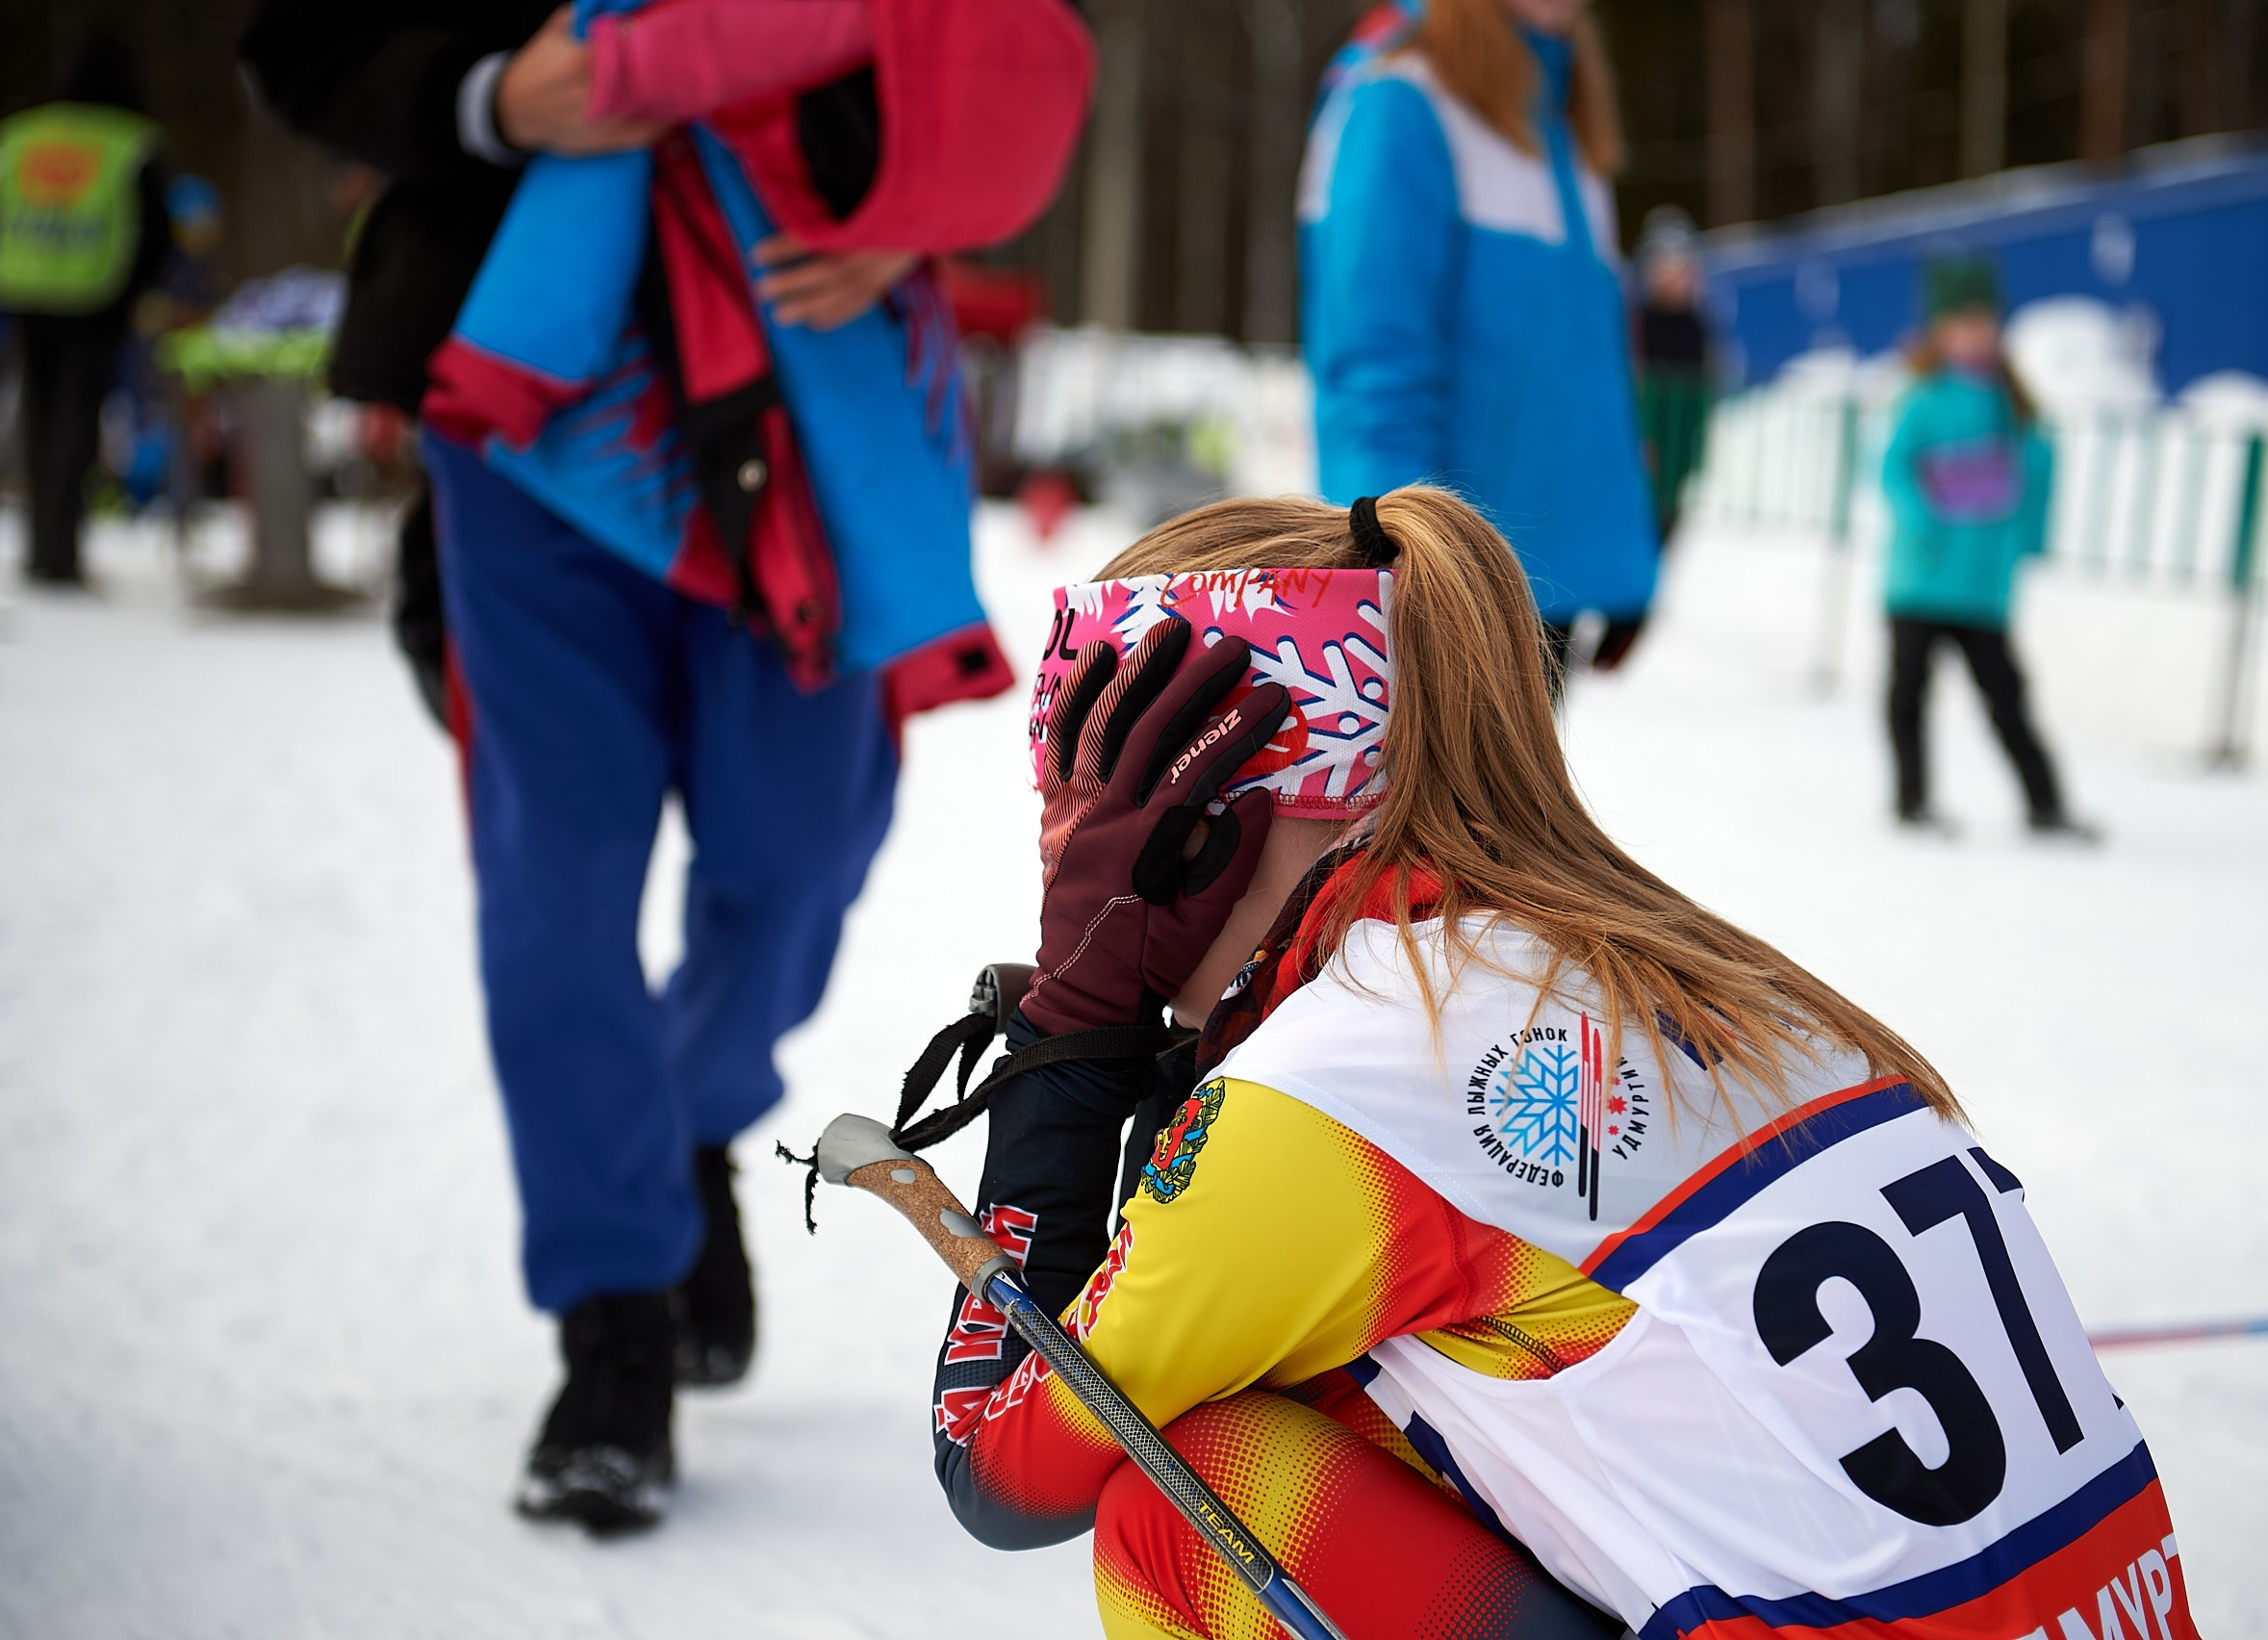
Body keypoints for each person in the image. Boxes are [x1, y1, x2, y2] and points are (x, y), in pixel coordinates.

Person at [906, 487, 2202, 1638]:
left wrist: (1073, 1033)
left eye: (1081, 794)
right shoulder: (1680, 965)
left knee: (1188, 1505)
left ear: (1208, 813)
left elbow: (1000, 1461)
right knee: (1328, 1385)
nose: (1060, 849)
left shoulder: (1336, 1081)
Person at [241, 0, 1089, 1532]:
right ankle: (611, 1321)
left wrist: (923, 206)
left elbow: (1021, 39)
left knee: (796, 863)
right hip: (529, 435)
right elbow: (305, 40)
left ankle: (688, 1120)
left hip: (813, 397)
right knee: (551, 890)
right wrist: (496, 91)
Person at [1299, 0, 1659, 692]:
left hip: (1546, 580)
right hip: (1449, 584)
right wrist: (1390, 553)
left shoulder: (1566, 120)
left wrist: (1617, 549)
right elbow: (1373, 359)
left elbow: (1588, 370)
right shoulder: (1402, 97)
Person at [1881, 256, 2094, 841]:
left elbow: (2036, 485)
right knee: (1909, 694)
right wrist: (1925, 520)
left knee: (2007, 696)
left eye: (1983, 320)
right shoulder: (1924, 399)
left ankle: (2045, 804)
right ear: (1939, 330)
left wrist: (2027, 541)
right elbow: (1894, 470)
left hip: (1982, 585)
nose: (1974, 333)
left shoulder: (2015, 406)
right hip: (1920, 577)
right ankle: (1912, 799)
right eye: (1961, 322)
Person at [0, 37, 171, 586]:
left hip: (24, 291)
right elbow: (157, 231)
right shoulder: (130, 141)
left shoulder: (20, 133)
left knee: (39, 415)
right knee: (77, 419)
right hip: (96, 298)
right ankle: (60, 549)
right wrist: (136, 288)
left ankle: (41, 542)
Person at [1629, 203, 1714, 551]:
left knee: (1666, 530)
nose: (1676, 276)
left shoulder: (1696, 326)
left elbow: (1702, 390)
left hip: (1677, 448)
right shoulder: (1638, 323)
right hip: (1643, 449)